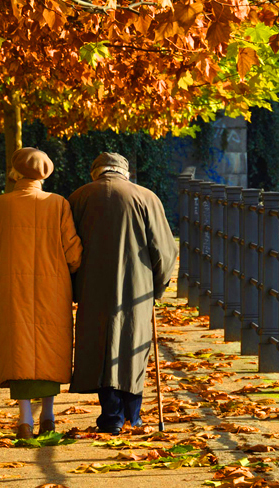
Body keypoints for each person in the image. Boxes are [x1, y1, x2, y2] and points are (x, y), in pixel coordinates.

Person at [68, 152, 178, 435]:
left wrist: (72, 285)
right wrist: (158, 286)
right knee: (133, 345)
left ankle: (110, 415)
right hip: (137, 285)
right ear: (124, 172)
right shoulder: (146, 197)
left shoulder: (79, 197)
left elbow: (68, 246)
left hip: (92, 285)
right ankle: (133, 415)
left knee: (101, 346)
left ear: (96, 172)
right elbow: (164, 251)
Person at [0, 148, 82, 440]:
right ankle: (48, 415)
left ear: (16, 171)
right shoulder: (58, 204)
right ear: (45, 173)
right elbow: (73, 253)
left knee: (20, 349)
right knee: (51, 347)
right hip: (54, 288)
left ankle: (25, 419)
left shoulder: (0, 206)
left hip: (13, 291)